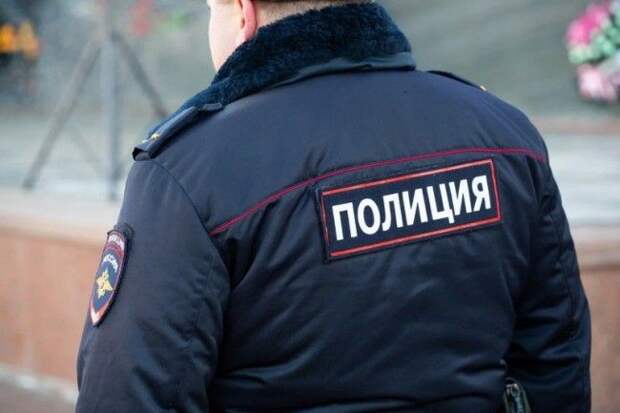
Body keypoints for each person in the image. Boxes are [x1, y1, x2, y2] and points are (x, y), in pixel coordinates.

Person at [76, 0, 591, 411]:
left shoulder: (190, 170)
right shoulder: (504, 134)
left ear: (242, 13)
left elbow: (131, 392)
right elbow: (555, 360)